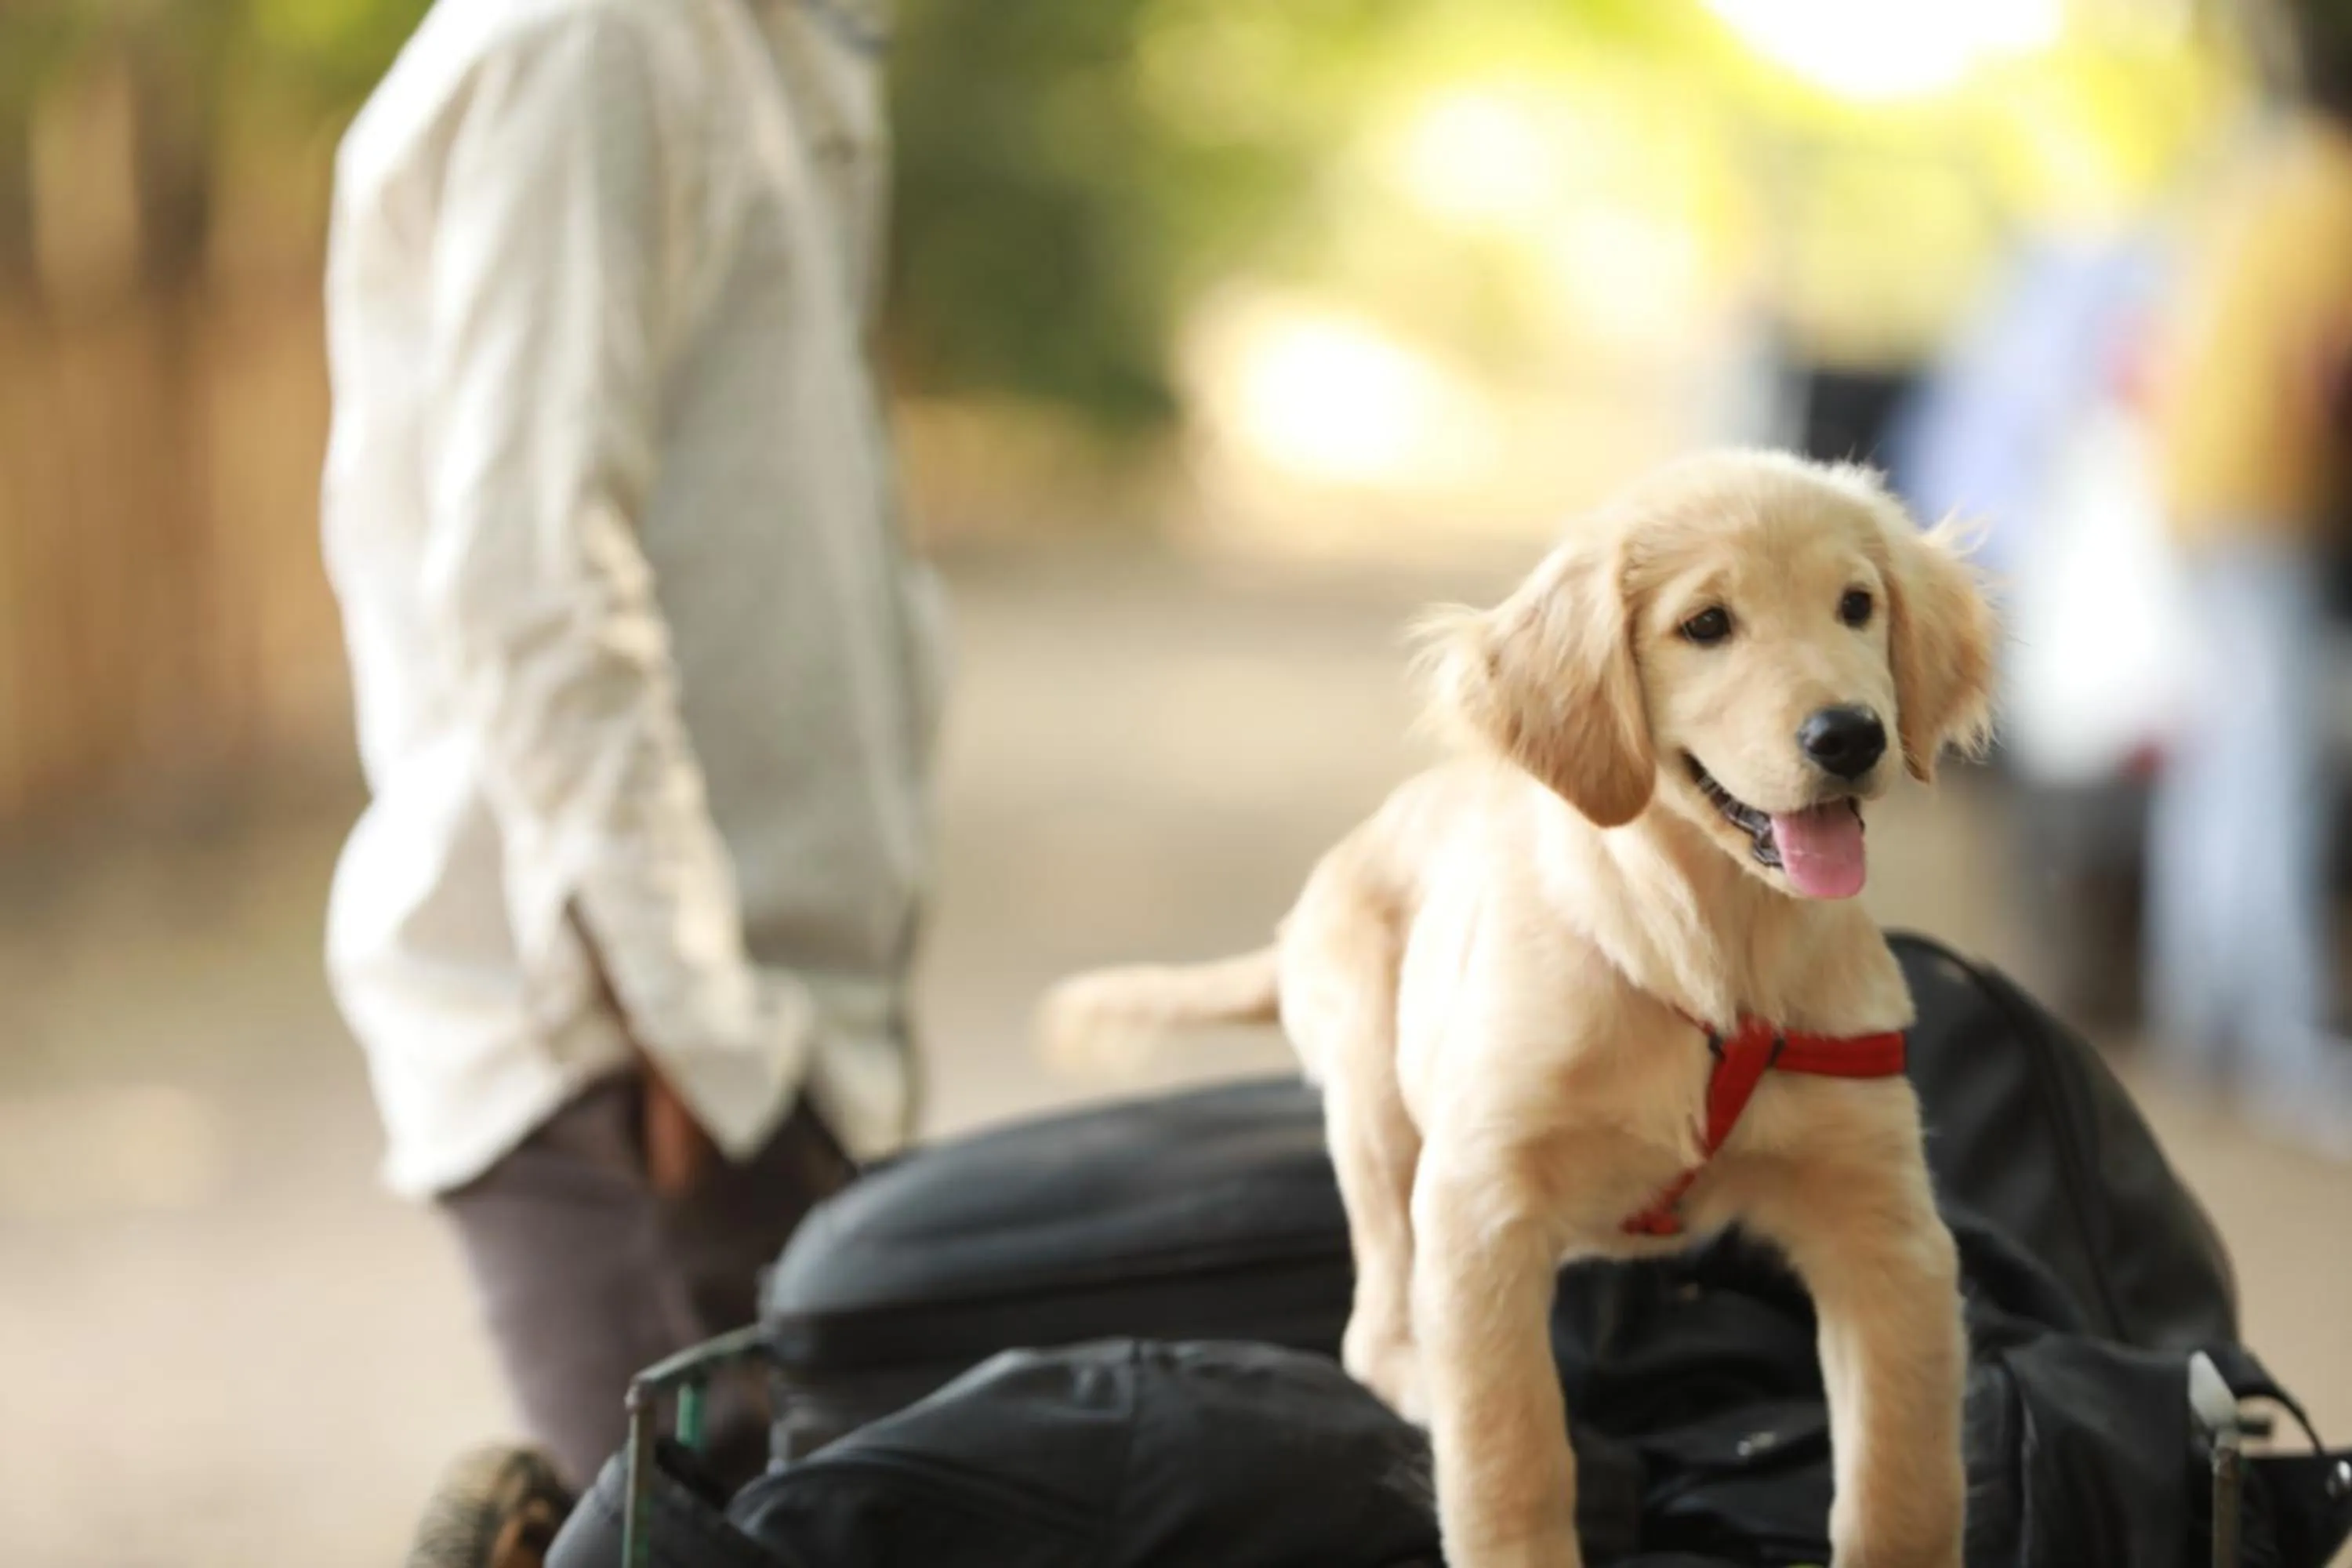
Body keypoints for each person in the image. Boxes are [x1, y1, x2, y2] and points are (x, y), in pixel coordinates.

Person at [318, 0, 945, 1487]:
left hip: (756, 1048)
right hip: (639, 1062)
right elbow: (533, 577)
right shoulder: (591, 39)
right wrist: (695, 1028)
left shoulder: (776, 53)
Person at [2143, 0, 2352, 1158]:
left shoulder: (2259, 181)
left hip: (2197, 497)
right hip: (2267, 504)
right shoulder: (2335, 191)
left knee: (2222, 762)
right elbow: (2329, 371)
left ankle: (2202, 1018)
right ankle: (2280, 1040)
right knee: (2272, 772)